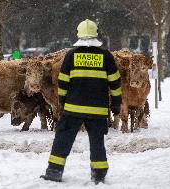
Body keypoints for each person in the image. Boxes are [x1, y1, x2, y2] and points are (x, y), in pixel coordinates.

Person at [40, 19, 121, 184]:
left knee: (63, 139)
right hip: (97, 110)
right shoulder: (106, 56)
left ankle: (54, 171)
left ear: (79, 35)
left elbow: (63, 82)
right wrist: (116, 104)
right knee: (97, 141)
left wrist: (63, 102)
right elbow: (115, 82)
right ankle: (98, 174)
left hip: (73, 108)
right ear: (96, 35)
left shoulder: (71, 55)